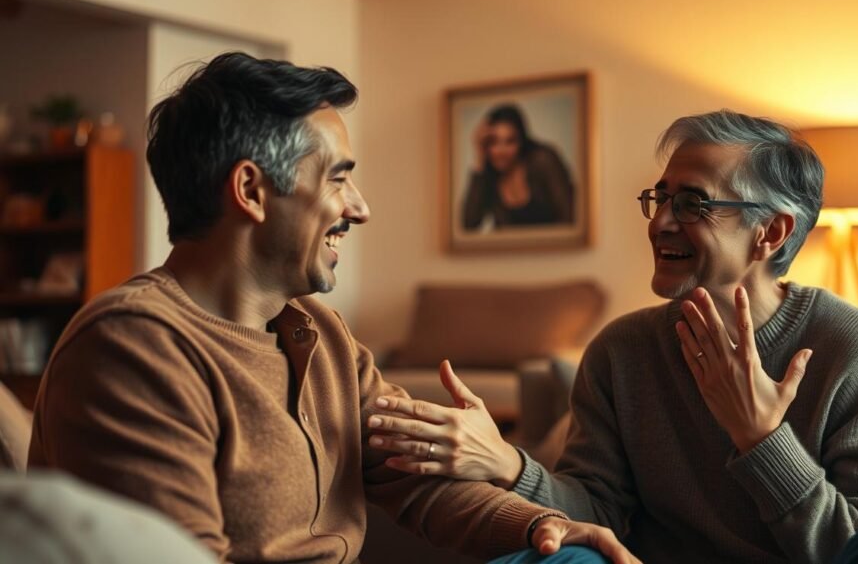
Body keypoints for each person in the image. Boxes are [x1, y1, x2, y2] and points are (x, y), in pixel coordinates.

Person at [27, 53, 637, 564]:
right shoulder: (134, 348)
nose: (361, 207)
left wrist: (539, 527)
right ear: (250, 191)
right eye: (338, 179)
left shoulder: (319, 333)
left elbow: (417, 480)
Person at [367, 110, 858, 563]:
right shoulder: (622, 351)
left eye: (693, 203)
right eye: (662, 197)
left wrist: (763, 440)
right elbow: (598, 513)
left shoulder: (854, 347)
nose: (660, 221)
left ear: (771, 233)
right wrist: (505, 462)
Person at [462, 104, 574, 230]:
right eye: (493, 142)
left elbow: (570, 216)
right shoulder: (488, 175)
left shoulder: (543, 160)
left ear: (521, 142)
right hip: (510, 249)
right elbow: (468, 225)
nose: (501, 151)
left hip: (556, 248)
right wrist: (479, 158)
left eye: (510, 141)